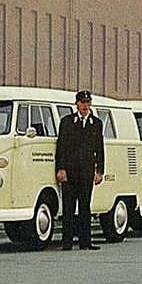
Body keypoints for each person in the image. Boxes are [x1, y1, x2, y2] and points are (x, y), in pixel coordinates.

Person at [55, 90, 104, 251]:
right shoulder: (67, 122)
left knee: (85, 206)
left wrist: (100, 171)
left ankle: (85, 241)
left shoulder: (96, 123)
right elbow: (61, 147)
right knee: (68, 207)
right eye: (82, 103)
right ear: (76, 104)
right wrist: (61, 168)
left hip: (86, 171)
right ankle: (67, 242)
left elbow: (99, 149)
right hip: (70, 171)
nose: (85, 105)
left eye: (88, 102)